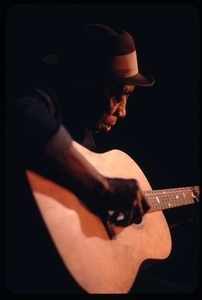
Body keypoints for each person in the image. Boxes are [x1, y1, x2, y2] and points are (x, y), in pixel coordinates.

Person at [5, 23, 199, 294]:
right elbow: (20, 115)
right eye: (118, 95)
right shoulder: (46, 101)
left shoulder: (84, 139)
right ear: (85, 85)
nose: (123, 112)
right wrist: (103, 188)